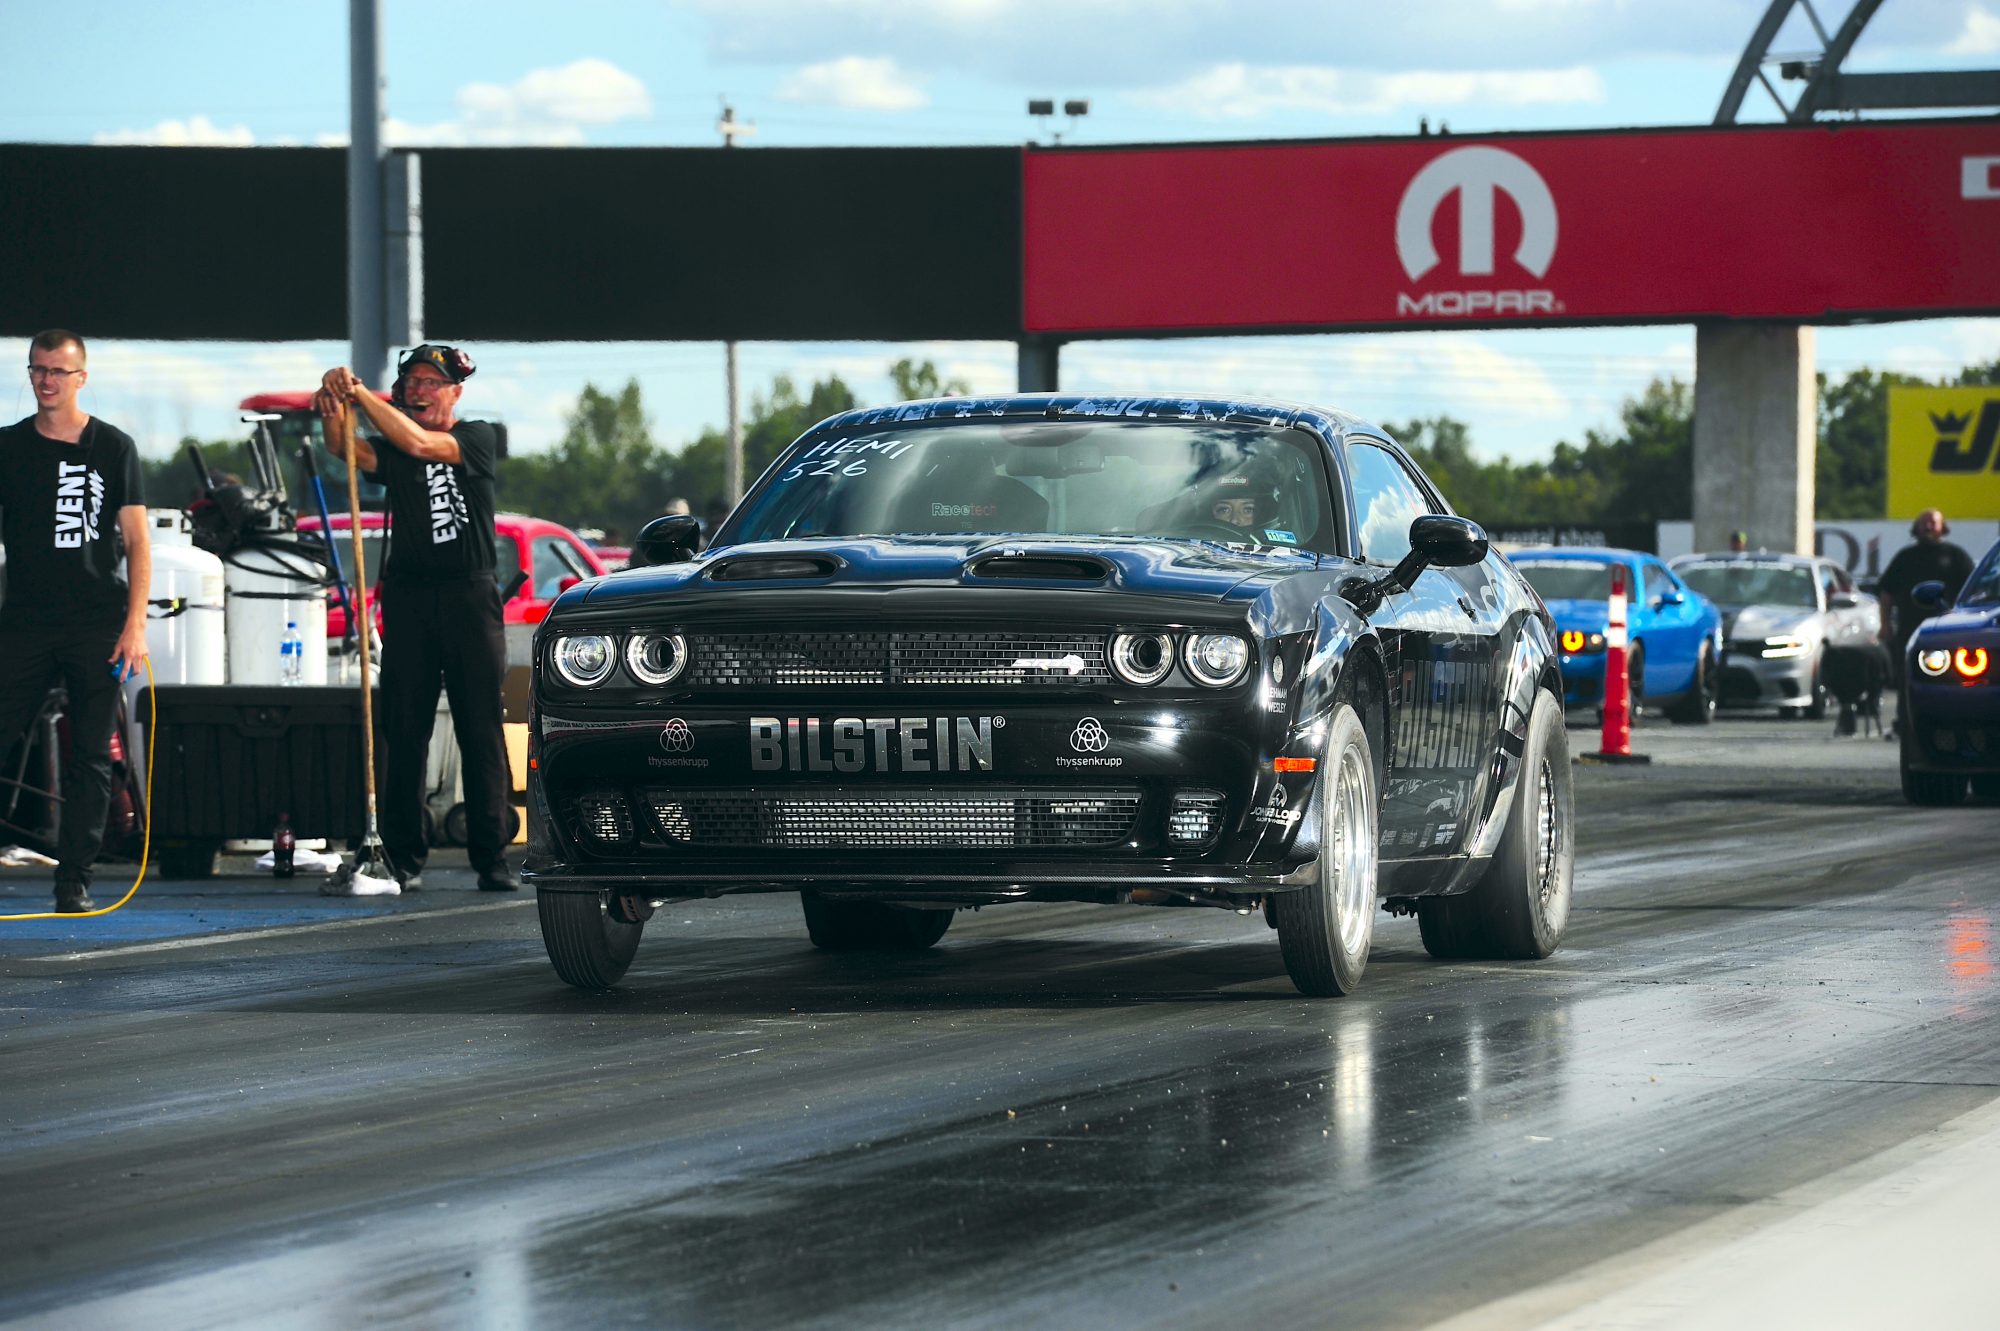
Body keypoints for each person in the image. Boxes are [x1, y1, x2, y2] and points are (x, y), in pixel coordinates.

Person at [315, 345, 518, 893]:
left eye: (433, 382)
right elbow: (344, 450)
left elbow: (421, 443)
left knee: (480, 726)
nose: (421, 391)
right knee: (405, 726)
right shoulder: (393, 447)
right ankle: (402, 853)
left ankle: (492, 854)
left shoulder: (475, 437)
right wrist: (333, 402)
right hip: (408, 594)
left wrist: (360, 394)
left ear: (455, 392)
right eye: (413, 382)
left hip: (468, 596)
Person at [0, 330, 150, 912]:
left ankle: (74, 880)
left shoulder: (113, 446)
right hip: (26, 620)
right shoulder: (9, 447)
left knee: (90, 755)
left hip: (97, 622)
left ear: (80, 378)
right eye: (38, 369)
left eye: (58, 371)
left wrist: (134, 625)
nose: (46, 381)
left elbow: (138, 543)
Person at [1877, 508, 1975, 663]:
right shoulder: (1905, 557)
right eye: (1924, 523)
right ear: (1916, 528)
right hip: (1909, 627)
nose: (1928, 527)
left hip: (1948, 626)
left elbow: (1974, 590)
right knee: (1907, 672)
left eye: (1933, 523)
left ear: (1943, 527)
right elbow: (1886, 593)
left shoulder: (1956, 556)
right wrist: (1885, 625)